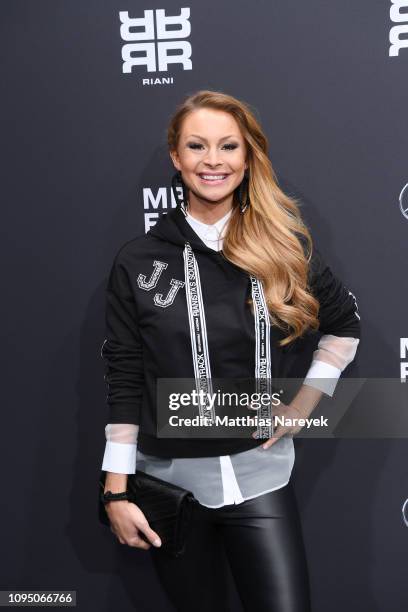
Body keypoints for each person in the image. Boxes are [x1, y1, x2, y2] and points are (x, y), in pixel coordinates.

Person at [99, 90, 361, 611]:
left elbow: (344, 328)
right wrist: (116, 492)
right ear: (176, 157)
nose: (212, 161)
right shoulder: (139, 261)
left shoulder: (285, 248)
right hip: (168, 487)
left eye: (228, 147)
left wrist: (305, 407)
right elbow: (125, 376)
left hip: (261, 480)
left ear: (248, 157)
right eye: (197, 146)